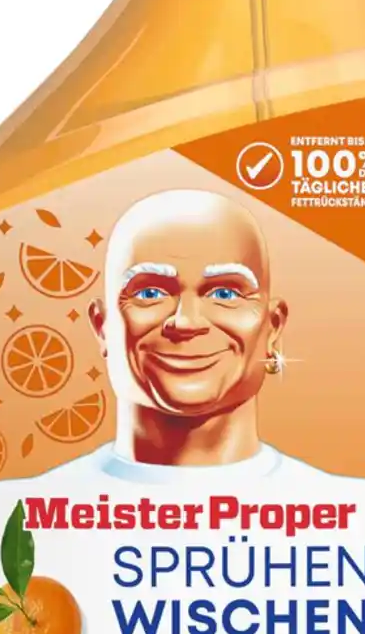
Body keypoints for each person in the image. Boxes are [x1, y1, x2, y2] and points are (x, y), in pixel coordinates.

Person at [87, 188, 287, 469]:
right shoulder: (36, 497)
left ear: (273, 327)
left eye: (225, 294)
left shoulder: (344, 498)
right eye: (149, 293)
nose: (186, 322)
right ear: (102, 327)